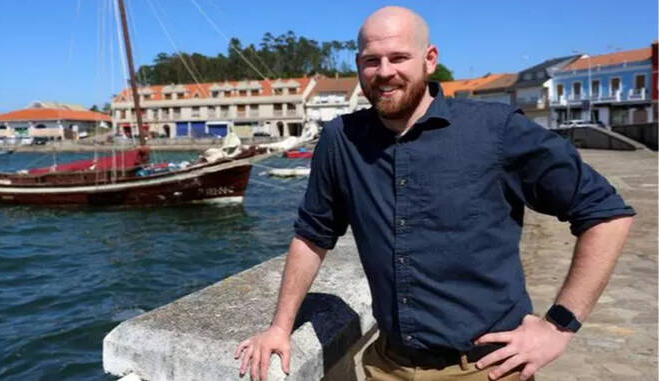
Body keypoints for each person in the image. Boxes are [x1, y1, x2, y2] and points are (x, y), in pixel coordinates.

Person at [234, 6, 635, 381]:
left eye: (398, 58)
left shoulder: (495, 130)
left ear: (429, 59)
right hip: (386, 366)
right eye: (371, 60)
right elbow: (312, 235)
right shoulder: (342, 140)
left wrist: (558, 326)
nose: (384, 71)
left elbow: (606, 214)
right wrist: (279, 327)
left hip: (487, 368)